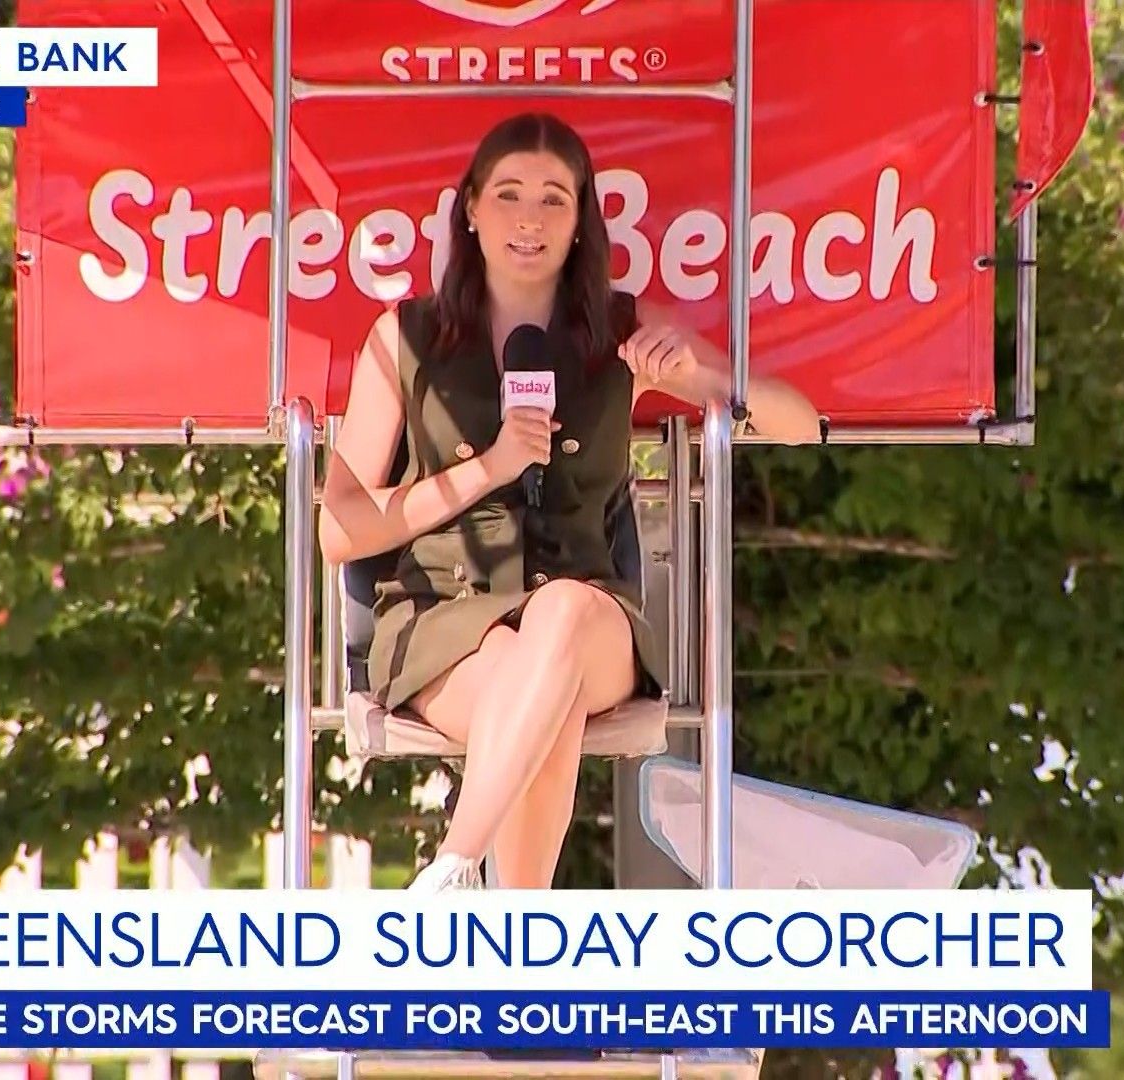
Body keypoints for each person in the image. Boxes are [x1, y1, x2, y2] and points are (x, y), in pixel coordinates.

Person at [317, 112, 820, 892]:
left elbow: (802, 424)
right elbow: (339, 530)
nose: (530, 218)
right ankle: (517, 928)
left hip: (590, 618)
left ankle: (454, 864)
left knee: (559, 619)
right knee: (537, 692)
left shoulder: (621, 330)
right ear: (471, 209)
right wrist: (488, 468)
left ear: (582, 219)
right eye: (509, 194)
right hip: (444, 622)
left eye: (554, 198)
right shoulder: (404, 337)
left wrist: (706, 377)